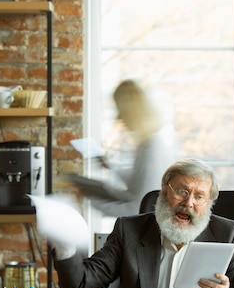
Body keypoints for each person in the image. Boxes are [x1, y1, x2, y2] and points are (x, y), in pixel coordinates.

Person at [51, 158, 234, 288]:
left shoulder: (228, 234)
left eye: (199, 197)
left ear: (209, 204)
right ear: (164, 191)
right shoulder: (130, 231)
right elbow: (77, 284)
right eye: (181, 191)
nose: (189, 203)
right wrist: (64, 244)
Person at [73, 79, 177, 218]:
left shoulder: (152, 150)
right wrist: (109, 168)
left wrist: (90, 200)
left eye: (121, 111)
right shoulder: (147, 144)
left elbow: (137, 209)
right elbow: (138, 183)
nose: (119, 118)